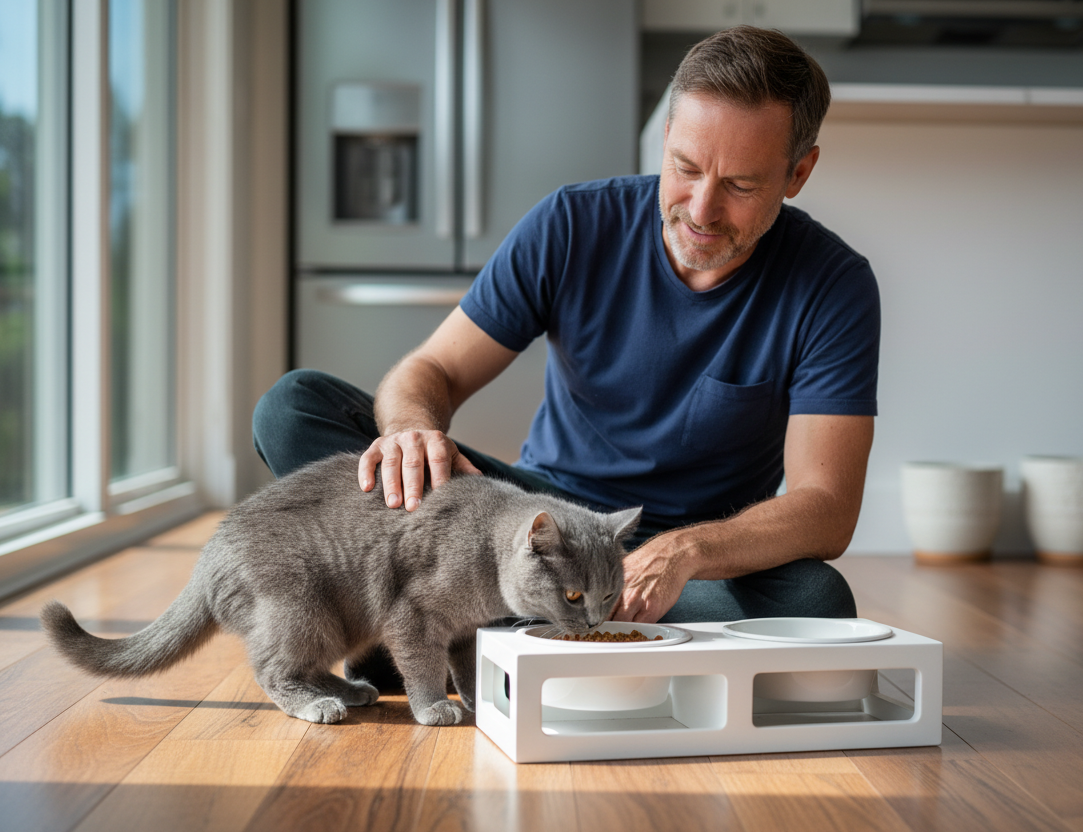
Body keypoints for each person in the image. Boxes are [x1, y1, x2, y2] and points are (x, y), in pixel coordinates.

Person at [253, 26, 879, 633]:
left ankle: (452, 622)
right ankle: (522, 616)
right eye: (685, 167)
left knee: (818, 601)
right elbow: (433, 371)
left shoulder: (833, 286)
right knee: (294, 408)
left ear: (798, 173)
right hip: (538, 525)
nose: (701, 209)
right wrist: (410, 429)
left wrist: (685, 552)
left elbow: (826, 507)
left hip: (697, 564)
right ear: (665, 137)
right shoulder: (573, 224)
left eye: (740, 185)